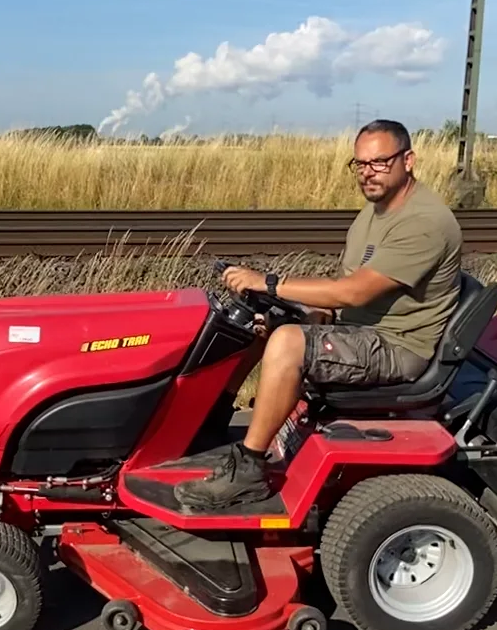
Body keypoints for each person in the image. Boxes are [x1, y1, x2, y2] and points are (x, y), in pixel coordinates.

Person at [174, 118, 463, 511]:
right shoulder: (375, 212)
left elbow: (353, 291)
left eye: (380, 162)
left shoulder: (424, 221)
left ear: (408, 160)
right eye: (360, 164)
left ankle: (249, 472)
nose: (368, 173)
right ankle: (209, 425)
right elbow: (345, 289)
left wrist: (269, 283)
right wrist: (305, 313)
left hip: (398, 347)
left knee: (288, 343)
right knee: (260, 326)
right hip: (362, 331)